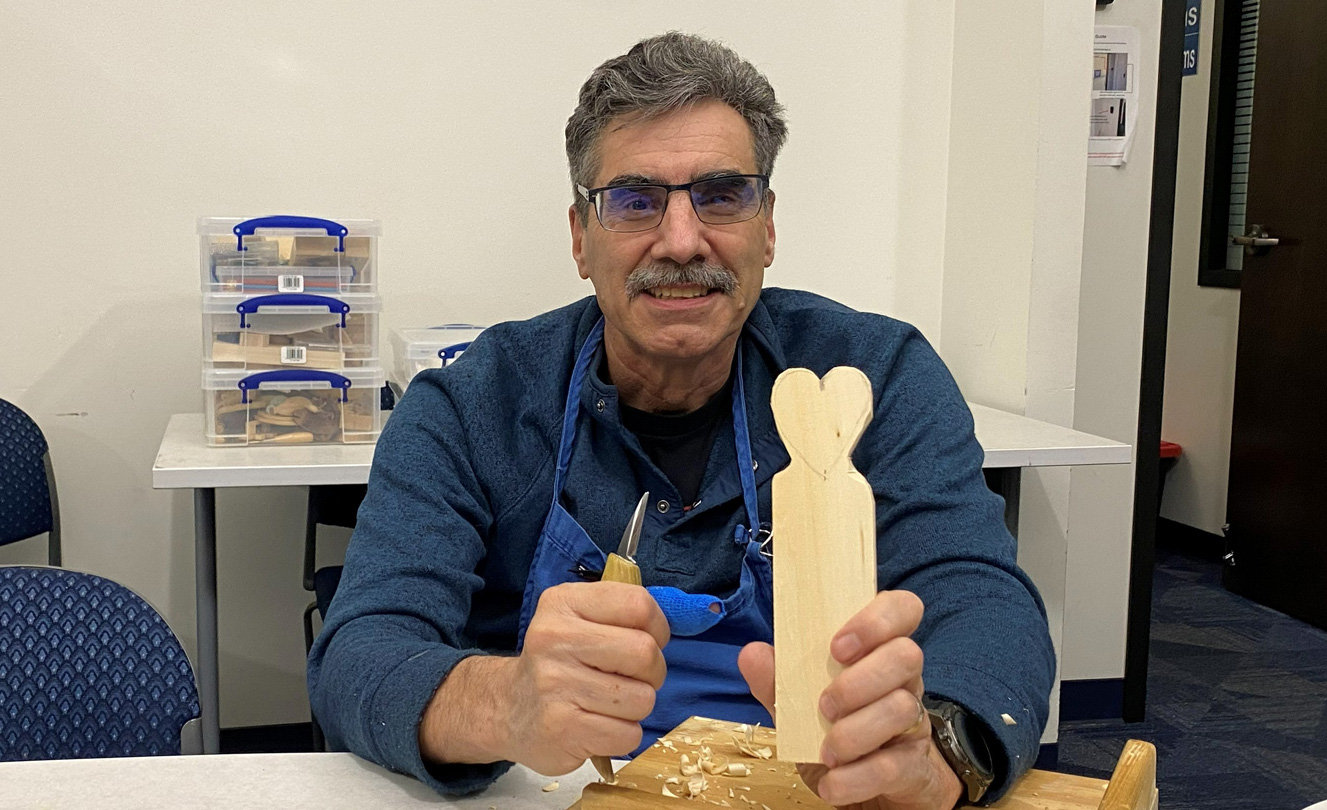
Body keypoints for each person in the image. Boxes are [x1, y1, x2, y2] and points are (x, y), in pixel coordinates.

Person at [308, 32, 1054, 808]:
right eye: (634, 201)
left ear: (767, 227)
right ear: (579, 238)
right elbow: (362, 651)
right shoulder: (472, 408)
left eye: (722, 195)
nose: (681, 240)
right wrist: (508, 702)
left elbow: (978, 595)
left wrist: (941, 750)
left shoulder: (869, 381)